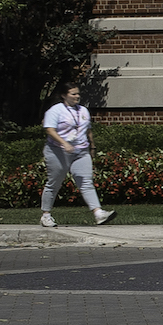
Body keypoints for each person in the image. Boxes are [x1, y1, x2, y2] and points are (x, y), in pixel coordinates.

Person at [37, 85, 111, 229]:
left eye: (78, 94)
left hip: (80, 151)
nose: (77, 96)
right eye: (73, 94)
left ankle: (98, 213)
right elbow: (49, 130)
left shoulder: (83, 110)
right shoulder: (56, 110)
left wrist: (92, 146)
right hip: (58, 151)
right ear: (64, 95)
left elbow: (87, 129)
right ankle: (46, 215)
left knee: (86, 181)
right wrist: (64, 143)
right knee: (54, 182)